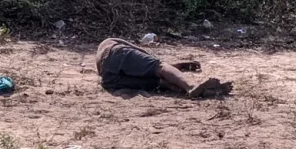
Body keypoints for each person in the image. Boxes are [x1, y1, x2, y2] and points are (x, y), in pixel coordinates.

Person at [95, 38, 232, 98]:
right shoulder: (115, 44)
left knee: (162, 83)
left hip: (109, 81)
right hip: (113, 52)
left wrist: (178, 66)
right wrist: (174, 65)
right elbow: (157, 65)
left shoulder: (105, 60)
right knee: (160, 68)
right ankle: (191, 87)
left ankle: (205, 92)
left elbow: (143, 67)